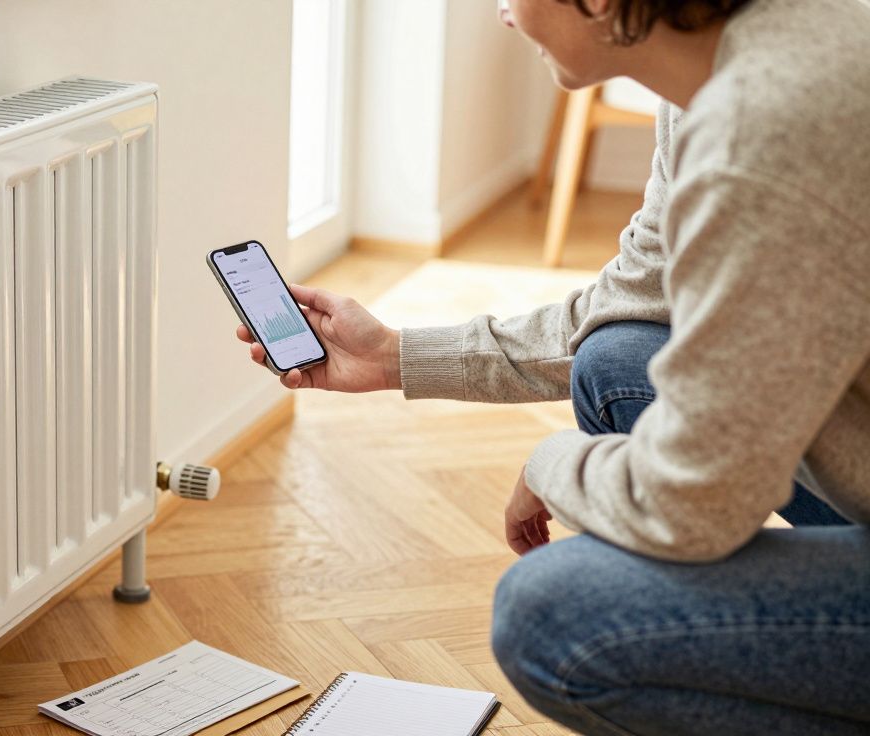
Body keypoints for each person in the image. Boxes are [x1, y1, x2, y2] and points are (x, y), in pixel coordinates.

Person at [233, 0, 870, 732]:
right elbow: (630, 299)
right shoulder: (731, 70)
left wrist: (551, 462)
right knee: (617, 361)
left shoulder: (761, 132)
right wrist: (394, 356)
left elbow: (692, 504)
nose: (502, 13)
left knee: (554, 616)